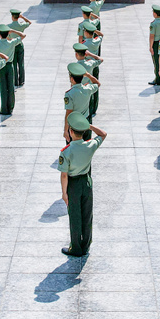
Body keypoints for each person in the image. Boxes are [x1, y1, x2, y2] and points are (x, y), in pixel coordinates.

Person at [58, 114, 107, 257]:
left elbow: (64, 175)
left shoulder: (66, 151)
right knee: (87, 214)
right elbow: (103, 134)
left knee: (75, 215)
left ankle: (75, 247)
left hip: (73, 184)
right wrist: (88, 125)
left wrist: (64, 193)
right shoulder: (90, 145)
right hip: (86, 182)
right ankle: (86, 244)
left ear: (71, 132)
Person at [64, 62, 101, 142]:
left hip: (74, 124)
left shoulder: (69, 94)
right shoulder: (88, 89)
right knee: (86, 144)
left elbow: (68, 113)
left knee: (72, 147)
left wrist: (65, 130)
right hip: (86, 121)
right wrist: (88, 75)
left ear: (72, 79)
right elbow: (98, 84)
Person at [0, 24, 25, 116]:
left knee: (3, 88)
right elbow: (23, 35)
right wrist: (13, 31)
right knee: (10, 87)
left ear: (0, 35)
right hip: (10, 66)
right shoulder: (12, 42)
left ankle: (4, 108)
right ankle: (11, 107)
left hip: (1, 67)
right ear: (8, 34)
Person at [73, 43, 103, 122]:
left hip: (78, 90)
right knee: (89, 108)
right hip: (88, 88)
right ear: (85, 54)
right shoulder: (90, 63)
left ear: (76, 55)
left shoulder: (74, 67)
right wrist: (91, 54)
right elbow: (100, 60)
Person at [8, 9, 32, 87]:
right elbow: (29, 22)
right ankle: (21, 80)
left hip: (13, 46)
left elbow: (7, 38)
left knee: (14, 64)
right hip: (20, 45)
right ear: (18, 17)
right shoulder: (21, 25)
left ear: (12, 16)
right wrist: (23, 17)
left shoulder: (8, 26)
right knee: (21, 63)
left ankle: (15, 81)